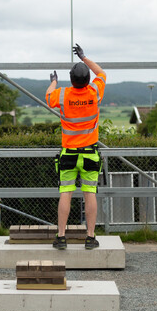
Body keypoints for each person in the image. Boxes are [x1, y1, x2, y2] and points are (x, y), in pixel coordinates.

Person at [45, 44, 106, 249]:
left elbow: (48, 97)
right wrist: (84, 57)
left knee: (66, 193)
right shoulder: (95, 92)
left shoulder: (62, 95)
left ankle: (61, 237)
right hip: (90, 154)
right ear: (88, 80)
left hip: (68, 154)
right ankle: (90, 237)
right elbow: (101, 72)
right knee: (90, 194)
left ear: (71, 80)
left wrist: (53, 82)